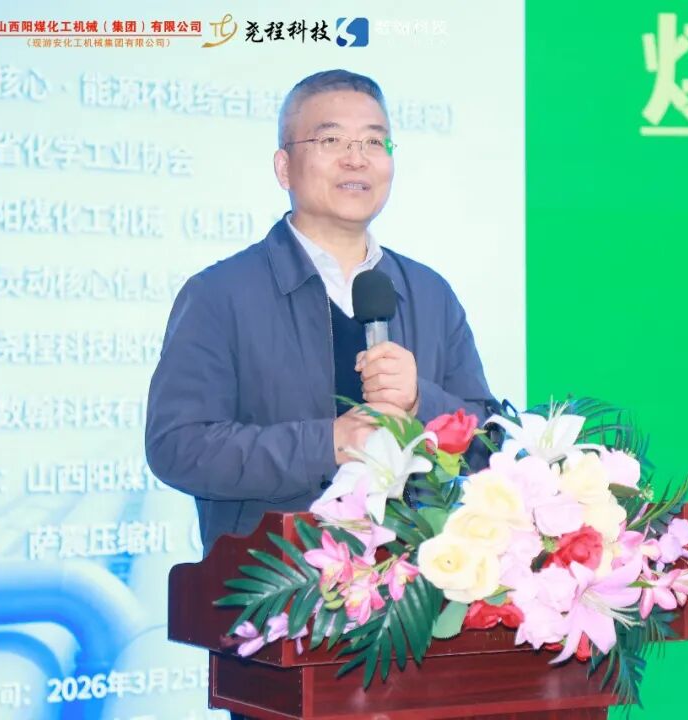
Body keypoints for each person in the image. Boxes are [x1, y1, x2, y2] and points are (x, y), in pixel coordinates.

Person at [145, 69, 496, 555]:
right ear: (284, 167)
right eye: (331, 140)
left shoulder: (430, 293)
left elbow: (488, 447)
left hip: (417, 586)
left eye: (374, 142)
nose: (356, 158)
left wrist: (421, 401)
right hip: (274, 582)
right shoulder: (219, 294)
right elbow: (177, 447)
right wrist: (327, 443)